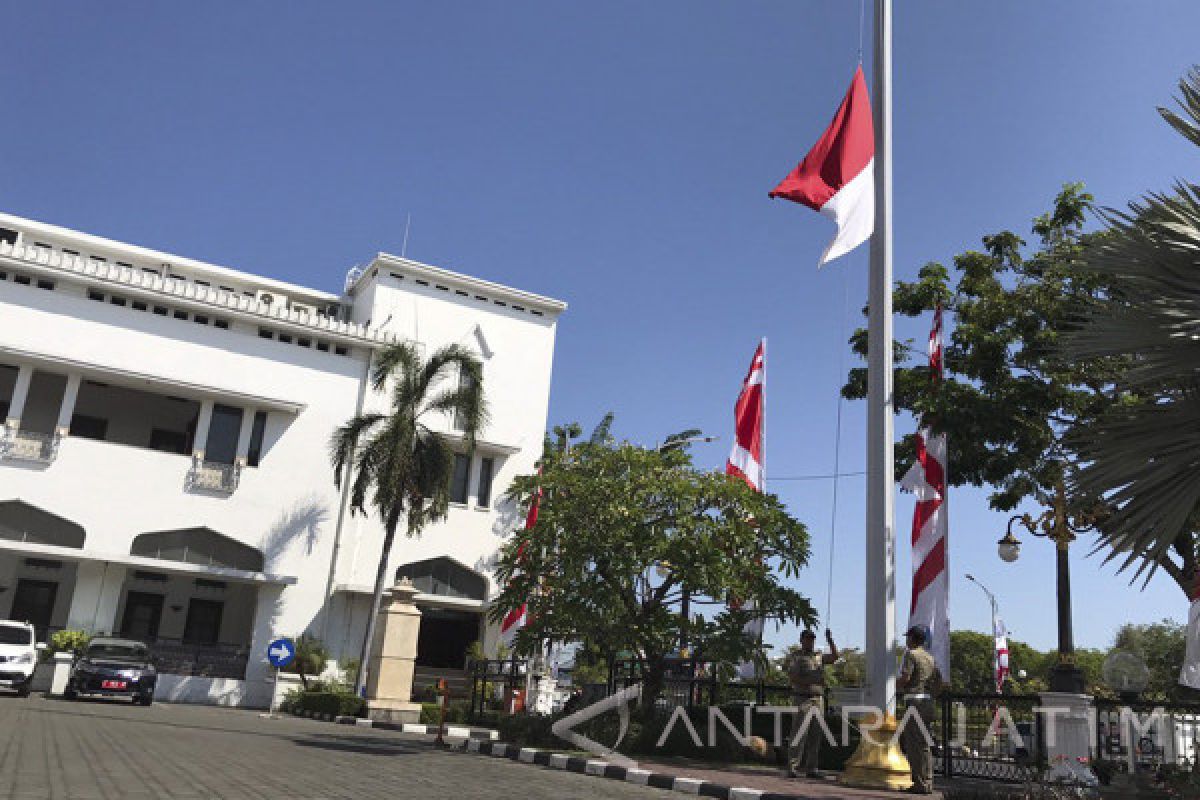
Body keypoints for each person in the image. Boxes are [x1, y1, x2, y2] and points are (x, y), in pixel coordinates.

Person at [897, 624, 943, 795]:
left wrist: (891, 687)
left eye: (907, 637)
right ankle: (927, 782)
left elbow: (906, 677)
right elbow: (939, 681)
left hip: (914, 702)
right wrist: (933, 695)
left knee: (913, 745)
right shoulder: (930, 658)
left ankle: (919, 783)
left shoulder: (911, 654)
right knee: (924, 744)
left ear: (912, 639)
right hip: (928, 703)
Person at [787, 628, 839, 779]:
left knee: (815, 734)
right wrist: (813, 680)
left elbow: (835, 657)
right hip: (802, 698)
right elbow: (793, 678)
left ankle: (812, 768)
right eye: (807, 638)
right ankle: (793, 766)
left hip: (818, 699)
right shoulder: (797, 657)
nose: (810, 641)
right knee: (798, 733)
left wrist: (830, 640)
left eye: (812, 638)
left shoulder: (818, 656)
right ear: (801, 640)